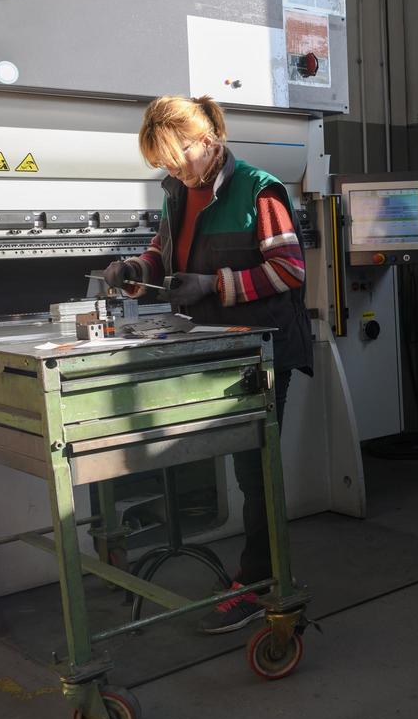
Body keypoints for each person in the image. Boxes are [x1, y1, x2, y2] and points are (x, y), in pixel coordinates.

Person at [102, 95, 311, 635]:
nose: (171, 170)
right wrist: (134, 266)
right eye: (163, 163)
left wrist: (214, 285)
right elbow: (163, 251)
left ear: (208, 141)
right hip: (206, 349)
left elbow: (288, 271)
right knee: (234, 462)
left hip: (257, 353)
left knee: (254, 471)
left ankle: (261, 583)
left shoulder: (259, 190)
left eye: (177, 157)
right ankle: (254, 572)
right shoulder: (178, 191)